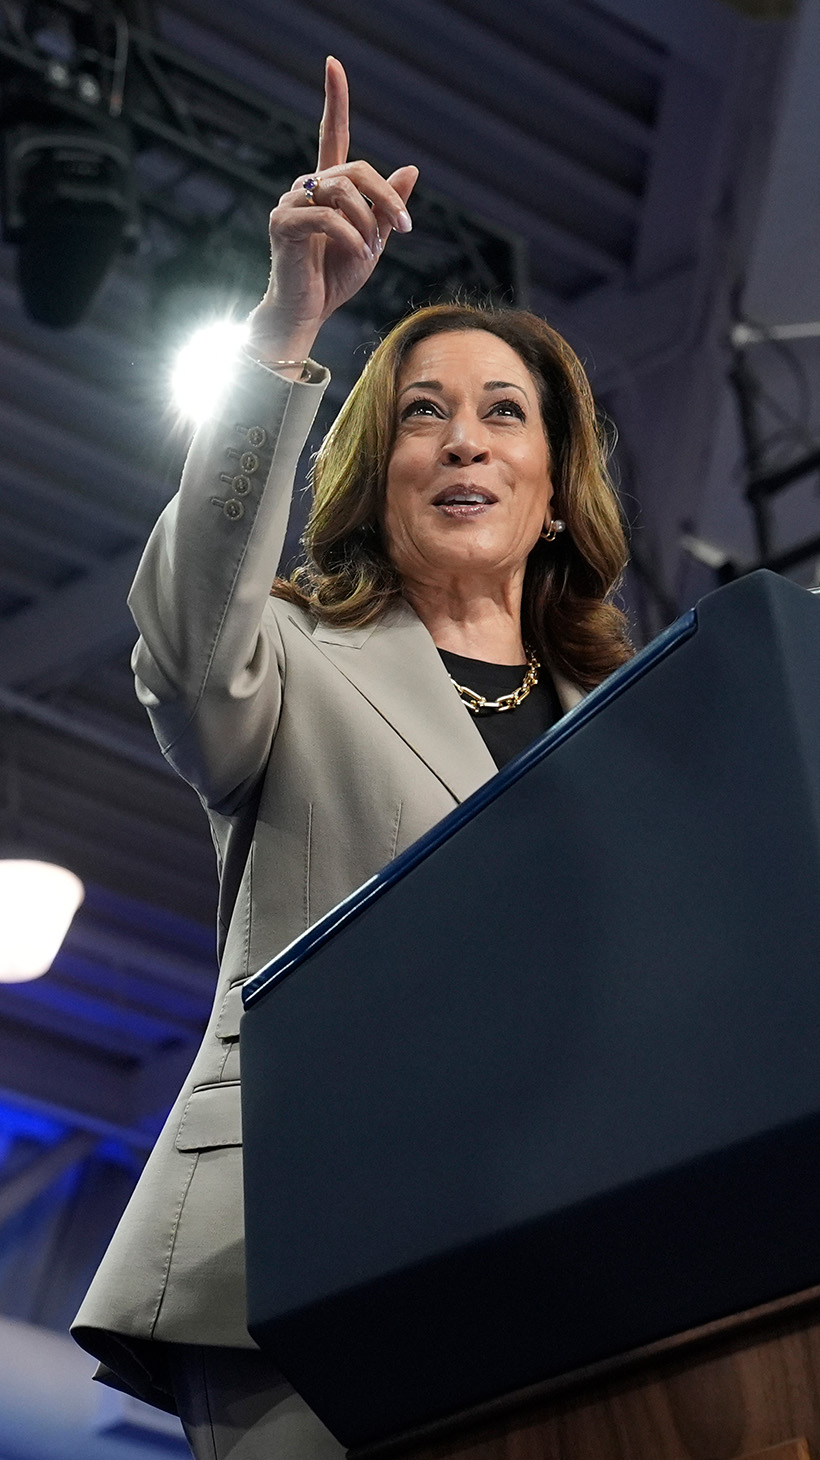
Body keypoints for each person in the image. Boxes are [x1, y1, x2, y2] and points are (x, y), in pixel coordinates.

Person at [71, 56, 632, 1460]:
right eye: (424, 413)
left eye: (506, 412)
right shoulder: (289, 666)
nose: (463, 438)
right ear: (375, 472)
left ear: (554, 493)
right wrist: (287, 327)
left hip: (577, 1286)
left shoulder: (634, 733)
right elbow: (189, 652)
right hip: (302, 1270)